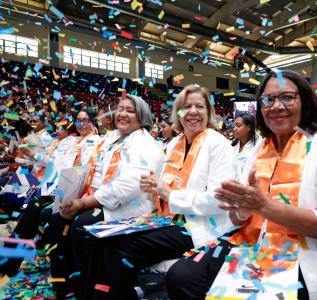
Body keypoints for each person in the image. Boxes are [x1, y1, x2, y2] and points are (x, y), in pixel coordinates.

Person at [166, 70, 317, 300]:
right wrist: (242, 209)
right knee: (181, 276)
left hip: (305, 254)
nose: (276, 106)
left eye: (287, 97)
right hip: (253, 241)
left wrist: (264, 207)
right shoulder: (260, 149)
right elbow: (238, 219)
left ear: (305, 101)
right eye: (268, 99)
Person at [88, 84, 237, 299]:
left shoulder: (219, 144)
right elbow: (161, 184)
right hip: (164, 219)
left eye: (200, 107)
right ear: (179, 113)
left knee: (119, 249)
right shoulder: (174, 142)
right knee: (104, 241)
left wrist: (169, 195)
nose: (193, 112)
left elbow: (219, 199)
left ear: (209, 113)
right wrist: (153, 189)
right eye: (187, 107)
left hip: (197, 226)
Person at [48, 95, 164, 298]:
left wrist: (85, 202)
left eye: (130, 110)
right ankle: (66, 287)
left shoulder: (144, 143)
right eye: (120, 109)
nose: (123, 114)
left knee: (81, 225)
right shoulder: (113, 138)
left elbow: (129, 185)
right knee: (57, 218)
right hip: (103, 199)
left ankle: (86, 290)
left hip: (130, 207)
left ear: (142, 116)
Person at [0, 110, 101, 277]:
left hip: (75, 191)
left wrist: (36, 156)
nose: (81, 124)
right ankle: (9, 260)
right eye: (78, 121)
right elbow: (52, 162)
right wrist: (35, 156)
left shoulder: (96, 142)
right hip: (55, 185)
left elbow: (76, 168)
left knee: (37, 210)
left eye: (85, 121)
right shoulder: (69, 140)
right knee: (31, 209)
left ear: (93, 122)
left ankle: (10, 261)